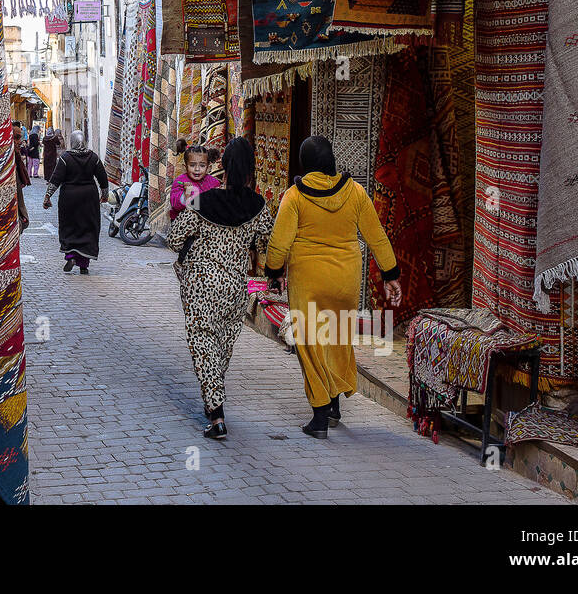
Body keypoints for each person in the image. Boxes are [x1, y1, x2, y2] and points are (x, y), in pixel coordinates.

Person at [264, 135, 401, 440]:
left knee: (311, 343)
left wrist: (273, 271)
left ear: (305, 163)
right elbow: (376, 236)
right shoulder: (356, 192)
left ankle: (319, 416)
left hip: (308, 279)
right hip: (345, 279)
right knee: (337, 338)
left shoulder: (294, 196)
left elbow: (279, 242)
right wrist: (390, 274)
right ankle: (336, 406)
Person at [165, 137, 274, 440]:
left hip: (200, 284)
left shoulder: (204, 200)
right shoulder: (257, 206)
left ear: (222, 167)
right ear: (251, 170)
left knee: (203, 344)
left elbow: (174, 240)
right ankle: (214, 397)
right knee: (222, 344)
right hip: (235, 287)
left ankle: (216, 415)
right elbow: (270, 240)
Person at [43, 130, 109, 274]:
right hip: (89, 197)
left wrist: (47, 196)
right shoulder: (93, 157)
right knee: (88, 226)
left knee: (70, 225)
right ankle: (84, 265)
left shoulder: (66, 158)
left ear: (72, 142)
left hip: (69, 197)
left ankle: (71, 256)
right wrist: (105, 194)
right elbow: (102, 178)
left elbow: (56, 179)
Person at [168, 141, 221, 221]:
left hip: (206, 223)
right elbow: (174, 204)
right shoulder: (180, 181)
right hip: (184, 223)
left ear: (208, 167)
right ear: (185, 167)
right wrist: (185, 195)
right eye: (192, 165)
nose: (197, 169)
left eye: (202, 165)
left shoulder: (214, 182)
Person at [12, 122, 30, 230]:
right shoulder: (11, 164)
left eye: (20, 138)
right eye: (17, 138)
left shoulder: (17, 161)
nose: (20, 142)